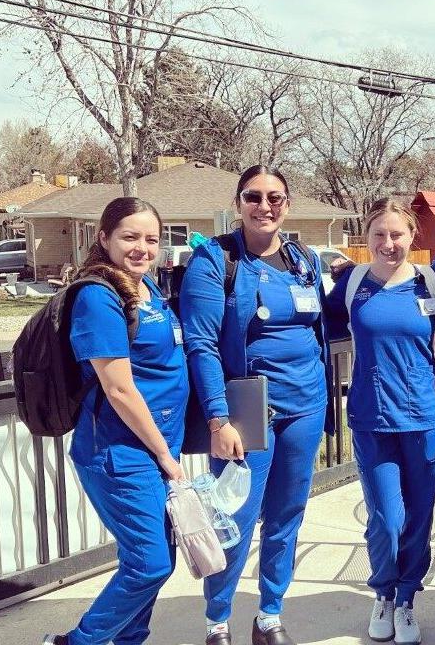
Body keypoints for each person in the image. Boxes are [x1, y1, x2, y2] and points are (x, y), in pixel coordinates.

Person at [180, 166, 334, 645]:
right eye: (254, 197)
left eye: (275, 198)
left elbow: (318, 329)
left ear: (287, 204)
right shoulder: (214, 261)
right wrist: (218, 417)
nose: (264, 206)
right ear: (239, 201)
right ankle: (217, 620)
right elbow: (201, 344)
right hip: (247, 411)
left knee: (287, 514)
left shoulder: (302, 258)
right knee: (235, 518)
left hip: (306, 406)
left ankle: (269, 614)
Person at [43, 198, 188, 645]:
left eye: (151, 238)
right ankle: (78, 642)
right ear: (103, 238)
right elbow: (119, 389)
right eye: (130, 237)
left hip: (154, 449)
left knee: (152, 559)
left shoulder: (146, 289)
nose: (143, 247)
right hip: (118, 452)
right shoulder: (97, 296)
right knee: (150, 563)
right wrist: (165, 454)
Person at [324, 198, 435, 645]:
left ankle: (405, 599)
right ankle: (382, 592)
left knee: (419, 516)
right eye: (379, 233)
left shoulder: (430, 283)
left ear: (412, 236)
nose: (388, 243)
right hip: (371, 417)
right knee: (386, 518)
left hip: (426, 417)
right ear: (368, 236)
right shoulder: (352, 282)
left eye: (397, 234)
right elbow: (313, 326)